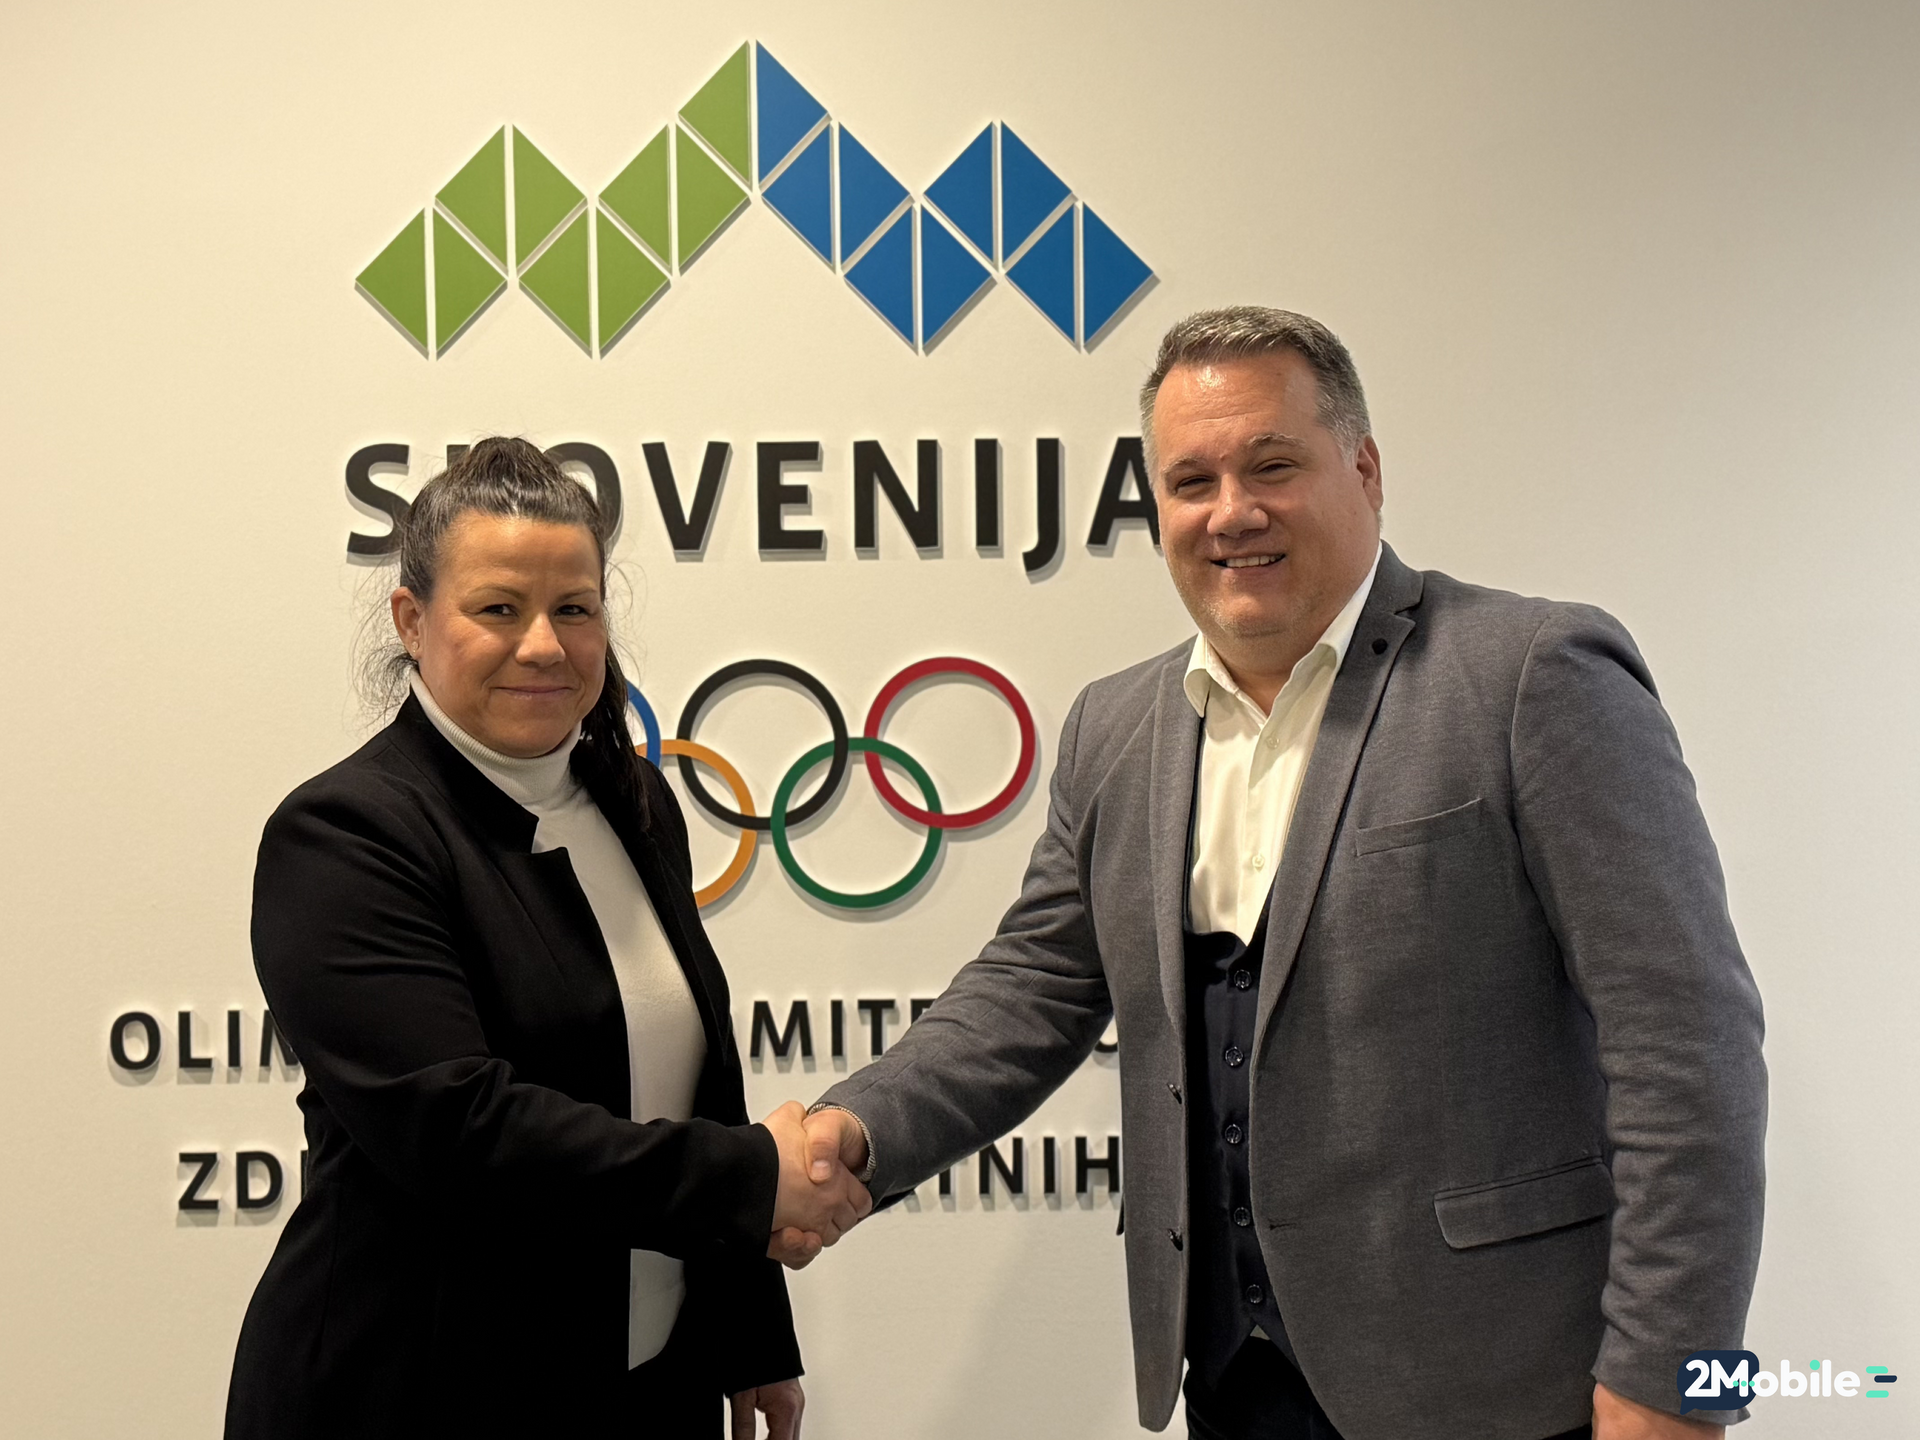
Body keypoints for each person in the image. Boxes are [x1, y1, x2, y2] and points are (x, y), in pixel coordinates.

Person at [799, 309, 1766, 1440]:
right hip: (1234, 1385)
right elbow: (1032, 988)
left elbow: (1683, 1042)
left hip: (1505, 1386)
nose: (1232, 513)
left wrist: (1676, 1375)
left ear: (1365, 470)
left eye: (1271, 466)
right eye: (1191, 481)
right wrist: (852, 1131)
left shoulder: (1532, 674)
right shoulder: (1115, 726)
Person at [225, 438, 870, 1440]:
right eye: (498, 609)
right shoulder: (346, 835)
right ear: (411, 620)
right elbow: (464, 1132)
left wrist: (749, 1330)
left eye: (575, 609)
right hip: (417, 1393)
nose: (542, 646)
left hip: (646, 1387)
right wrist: (750, 1179)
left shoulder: (634, 798)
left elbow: (694, 1080)